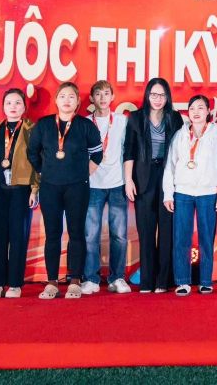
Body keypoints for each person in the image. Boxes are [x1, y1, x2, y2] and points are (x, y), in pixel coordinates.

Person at [27, 81, 103, 299]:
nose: (67, 100)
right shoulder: (43, 125)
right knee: (53, 234)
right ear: (56, 100)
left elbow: (97, 153)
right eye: (62, 96)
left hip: (77, 187)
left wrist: (83, 173)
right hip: (50, 187)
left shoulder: (86, 126)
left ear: (78, 101)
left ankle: (75, 281)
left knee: (76, 232)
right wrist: (44, 171)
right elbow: (32, 152)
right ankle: (52, 282)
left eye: (71, 97)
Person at [124, 77, 184, 293]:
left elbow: (181, 150)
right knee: (146, 230)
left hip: (168, 177)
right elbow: (129, 150)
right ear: (147, 96)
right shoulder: (136, 118)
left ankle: (163, 281)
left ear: (167, 97)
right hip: (143, 178)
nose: (158, 99)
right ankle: (147, 281)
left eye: (162, 95)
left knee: (167, 229)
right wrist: (128, 180)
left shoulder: (174, 118)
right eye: (154, 94)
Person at [0, 88, 38, 298]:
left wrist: (35, 189)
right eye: (9, 103)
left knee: (18, 237)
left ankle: (14, 284)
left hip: (22, 191)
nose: (13, 107)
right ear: (3, 107)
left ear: (24, 107)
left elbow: (38, 161)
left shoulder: (31, 130)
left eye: (17, 103)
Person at [163, 94, 217, 296]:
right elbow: (170, 165)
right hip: (182, 192)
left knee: (207, 238)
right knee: (181, 238)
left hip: (208, 192)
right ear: (188, 112)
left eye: (200, 108)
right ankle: (182, 281)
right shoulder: (180, 134)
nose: (196, 112)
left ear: (208, 111)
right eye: (192, 109)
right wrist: (168, 194)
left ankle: (206, 280)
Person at [81, 80, 133, 295]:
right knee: (90, 234)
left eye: (106, 94)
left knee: (119, 234)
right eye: (98, 94)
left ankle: (117, 278)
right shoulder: (84, 123)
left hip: (117, 184)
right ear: (91, 98)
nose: (102, 98)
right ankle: (91, 278)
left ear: (113, 97)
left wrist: (129, 179)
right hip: (92, 184)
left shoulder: (122, 121)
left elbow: (129, 151)